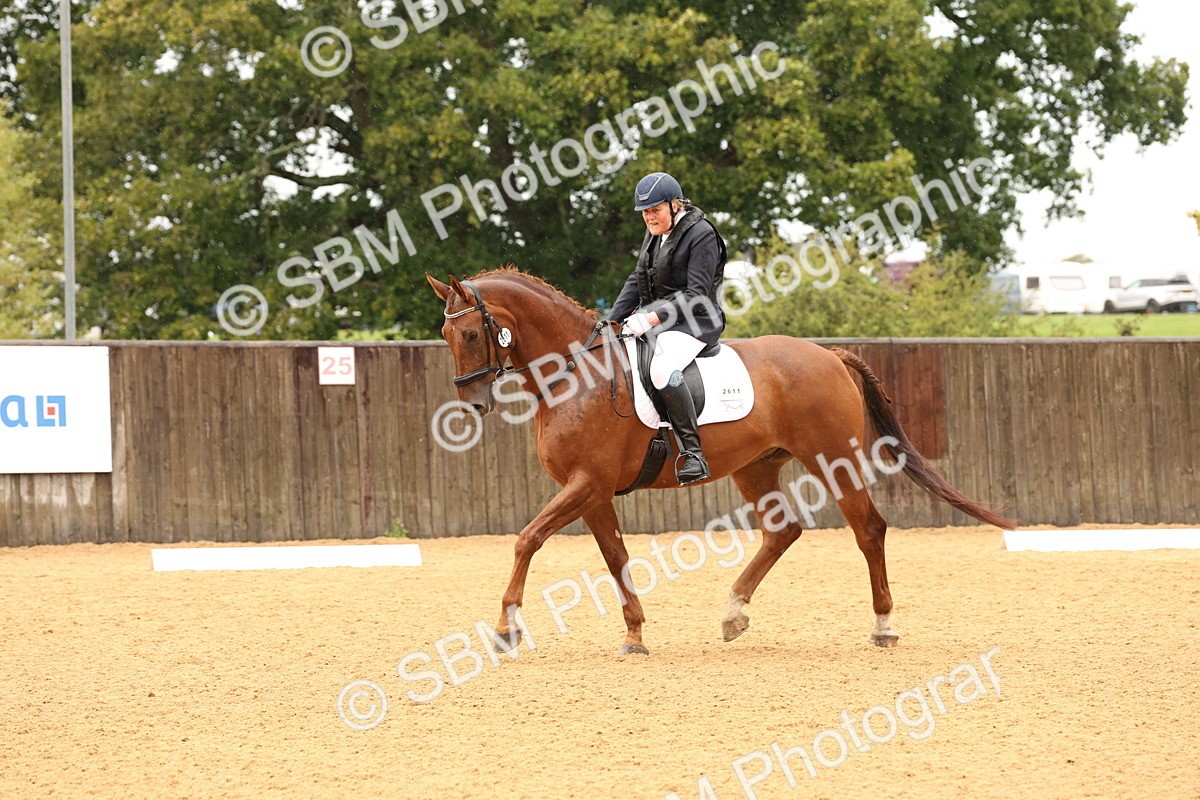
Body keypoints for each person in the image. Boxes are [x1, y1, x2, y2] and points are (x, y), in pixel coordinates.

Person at [607, 171, 728, 486]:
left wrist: (650, 318)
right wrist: (611, 321)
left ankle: (693, 453)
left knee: (661, 368)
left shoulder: (702, 234)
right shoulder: (656, 232)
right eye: (645, 212)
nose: (649, 216)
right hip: (662, 321)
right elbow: (637, 278)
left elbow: (697, 294)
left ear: (675, 204)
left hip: (698, 321)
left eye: (655, 209)